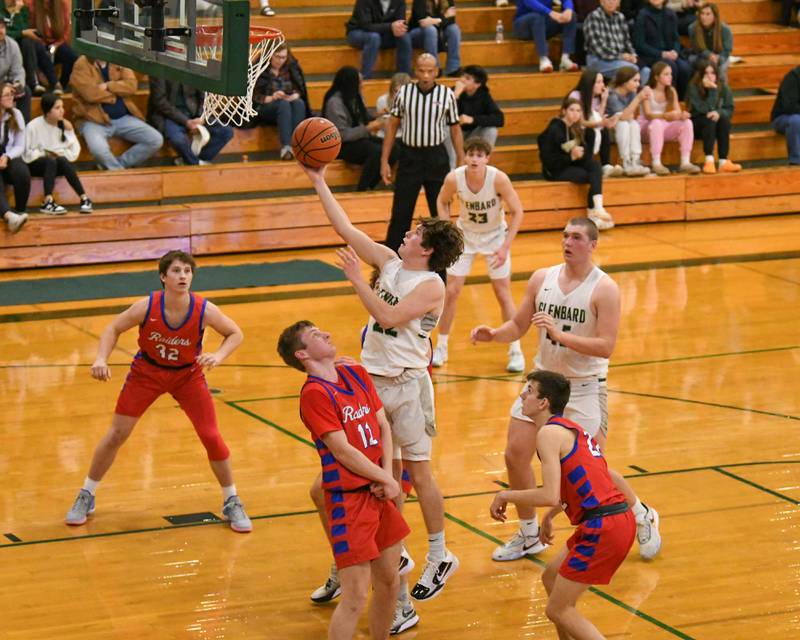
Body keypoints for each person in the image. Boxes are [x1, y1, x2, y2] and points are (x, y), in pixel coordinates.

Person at [301, 161, 464, 634]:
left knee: (417, 470)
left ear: (426, 248)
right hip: (373, 385)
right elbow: (345, 227)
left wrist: (356, 279)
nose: (405, 235)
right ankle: (359, 561)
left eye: (413, 234)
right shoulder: (390, 264)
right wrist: (318, 180)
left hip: (408, 384)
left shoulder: (432, 284)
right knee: (366, 482)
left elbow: (389, 320)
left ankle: (438, 552)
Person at [471, 217, 661, 563]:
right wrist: (495, 335)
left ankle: (642, 513)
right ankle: (529, 534)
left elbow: (606, 346)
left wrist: (560, 335)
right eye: (564, 236)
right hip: (542, 384)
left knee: (594, 469)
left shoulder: (605, 289)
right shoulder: (542, 278)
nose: (567, 242)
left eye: (575, 237)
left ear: (592, 245)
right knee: (515, 454)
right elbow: (518, 324)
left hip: (584, 388)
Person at [64, 250, 253, 533]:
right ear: (163, 276)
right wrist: (101, 358)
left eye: (188, 272)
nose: (183, 276)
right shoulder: (146, 306)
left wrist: (219, 356)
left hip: (187, 376)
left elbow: (235, 333)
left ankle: (231, 500)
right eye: (177, 271)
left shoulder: (204, 309)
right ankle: (87, 494)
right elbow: (113, 327)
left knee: (211, 436)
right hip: (147, 373)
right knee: (117, 433)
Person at [277, 321, 409, 640]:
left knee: (390, 581)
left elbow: (383, 426)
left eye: (324, 330)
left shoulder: (355, 373)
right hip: (348, 501)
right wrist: (385, 480)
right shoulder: (314, 394)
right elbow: (342, 450)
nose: (327, 333)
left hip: (378, 490)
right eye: (315, 335)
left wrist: (387, 476)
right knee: (355, 597)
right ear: (303, 354)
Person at [488, 370, 636, 639]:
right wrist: (549, 518)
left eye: (530, 390)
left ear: (544, 402)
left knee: (558, 610)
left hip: (604, 525)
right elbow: (582, 482)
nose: (523, 394)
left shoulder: (548, 435)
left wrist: (506, 495)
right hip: (613, 520)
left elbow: (549, 495)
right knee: (550, 578)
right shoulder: (569, 429)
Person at [431, 137, 525, 372]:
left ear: (487, 158)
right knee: (451, 291)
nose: (474, 159)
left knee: (502, 293)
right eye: (470, 154)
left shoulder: (498, 179)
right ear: (465, 157)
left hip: (495, 237)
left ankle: (515, 350)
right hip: (466, 237)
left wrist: (505, 247)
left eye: (479, 155)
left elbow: (518, 212)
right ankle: (441, 346)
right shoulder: (455, 178)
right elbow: (442, 201)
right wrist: (449, 230)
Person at [381, 53, 463, 254]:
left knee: (440, 210)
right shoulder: (404, 93)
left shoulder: (447, 95)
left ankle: (444, 256)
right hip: (410, 156)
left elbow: (455, 129)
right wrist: (384, 160)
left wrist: (461, 160)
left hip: (436, 156)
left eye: (430, 71)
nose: (426, 76)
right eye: (421, 70)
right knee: (401, 211)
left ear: (437, 71)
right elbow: (392, 126)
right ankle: (392, 256)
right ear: (415, 70)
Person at [70, 56, 163, 170]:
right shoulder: (82, 63)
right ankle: (119, 172)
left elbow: (132, 86)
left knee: (155, 140)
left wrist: (108, 86)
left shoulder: (119, 59)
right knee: (98, 150)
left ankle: (118, 166)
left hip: (123, 118)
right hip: (93, 120)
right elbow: (90, 94)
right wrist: (115, 95)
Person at [538, 97, 614, 230]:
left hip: (570, 165)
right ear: (563, 111)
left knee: (595, 167)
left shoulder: (578, 129)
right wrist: (571, 157)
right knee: (588, 176)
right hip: (555, 170)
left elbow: (586, 158)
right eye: (571, 110)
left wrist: (584, 150)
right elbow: (549, 160)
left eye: (578, 111)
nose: (575, 114)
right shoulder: (554, 129)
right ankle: (593, 217)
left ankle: (598, 207)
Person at [322, 65, 391, 191]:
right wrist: (369, 128)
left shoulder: (355, 96)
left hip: (359, 139)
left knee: (392, 147)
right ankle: (362, 189)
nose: (362, 85)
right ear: (350, 83)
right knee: (376, 151)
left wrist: (377, 115)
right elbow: (341, 135)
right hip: (340, 146)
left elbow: (362, 116)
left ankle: (371, 184)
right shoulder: (334, 103)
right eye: (359, 82)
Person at [23, 92, 93, 213]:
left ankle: (84, 198)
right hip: (36, 166)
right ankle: (48, 201)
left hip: (56, 165)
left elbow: (73, 154)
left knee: (60, 160)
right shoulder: (33, 126)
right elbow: (26, 154)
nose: (62, 111)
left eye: (62, 107)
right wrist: (44, 153)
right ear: (47, 111)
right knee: (51, 160)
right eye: (57, 108)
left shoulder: (65, 126)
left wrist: (70, 132)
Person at [148, 77, 233, 166]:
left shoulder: (193, 67)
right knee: (178, 140)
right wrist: (186, 122)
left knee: (226, 131)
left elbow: (203, 97)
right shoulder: (159, 70)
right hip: (169, 117)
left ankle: (190, 161)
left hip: (194, 114)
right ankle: (196, 164)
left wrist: (200, 118)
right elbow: (159, 101)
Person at [248, 43, 311, 161]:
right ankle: (286, 147)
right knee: (283, 104)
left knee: (299, 103)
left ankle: (298, 145)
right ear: (270, 55)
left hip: (286, 104)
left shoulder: (291, 68)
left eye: (283, 57)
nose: (280, 60)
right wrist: (272, 97)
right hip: (264, 107)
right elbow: (253, 97)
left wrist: (295, 95)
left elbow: (300, 89)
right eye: (277, 57)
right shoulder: (259, 69)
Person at [638, 61, 700, 175]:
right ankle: (656, 163)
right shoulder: (647, 90)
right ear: (656, 77)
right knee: (656, 122)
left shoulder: (671, 90)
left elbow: (677, 110)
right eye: (666, 74)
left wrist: (681, 115)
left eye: (670, 74)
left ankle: (685, 162)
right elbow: (648, 114)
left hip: (662, 125)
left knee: (687, 123)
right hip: (646, 128)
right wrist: (665, 116)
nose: (670, 77)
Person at [686, 60, 741, 174]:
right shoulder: (694, 87)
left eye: (712, 73)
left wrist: (719, 112)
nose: (710, 76)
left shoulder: (723, 87)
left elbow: (730, 109)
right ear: (701, 75)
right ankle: (709, 160)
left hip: (714, 125)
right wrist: (712, 91)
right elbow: (702, 109)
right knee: (709, 118)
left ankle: (723, 161)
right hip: (697, 124)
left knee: (724, 119)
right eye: (706, 73)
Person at [569, 69, 623, 178]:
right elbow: (580, 121)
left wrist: (604, 101)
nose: (602, 85)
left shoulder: (597, 98)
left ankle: (606, 165)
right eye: (598, 82)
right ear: (590, 83)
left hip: (589, 128)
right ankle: (587, 165)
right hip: (574, 131)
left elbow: (598, 117)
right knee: (590, 132)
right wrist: (600, 123)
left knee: (604, 130)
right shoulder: (575, 95)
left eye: (602, 82)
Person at [633, 0, 691, 100]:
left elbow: (676, 38)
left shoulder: (670, 14)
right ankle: (669, 101)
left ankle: (681, 102)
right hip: (650, 56)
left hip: (669, 54)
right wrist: (661, 54)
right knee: (670, 66)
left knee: (685, 68)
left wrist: (675, 51)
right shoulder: (642, 15)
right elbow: (640, 44)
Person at [346, 0, 412, 80]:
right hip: (358, 32)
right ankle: (366, 78)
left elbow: (400, 23)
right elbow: (366, 26)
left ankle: (404, 79)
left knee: (404, 36)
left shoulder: (399, 1)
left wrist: (399, 28)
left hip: (384, 34)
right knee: (373, 37)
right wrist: (390, 26)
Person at [582, 0, 646, 81]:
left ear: (619, 3)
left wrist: (633, 56)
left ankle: (641, 93)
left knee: (646, 71)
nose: (611, 2)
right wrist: (622, 56)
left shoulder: (620, 17)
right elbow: (599, 50)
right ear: (602, 2)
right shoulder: (593, 17)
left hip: (620, 60)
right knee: (631, 69)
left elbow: (627, 42)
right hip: (598, 60)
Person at [606, 66, 651, 175]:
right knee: (623, 124)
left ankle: (635, 160)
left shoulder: (631, 93)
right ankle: (625, 161)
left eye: (638, 81)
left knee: (634, 124)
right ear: (624, 82)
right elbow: (623, 117)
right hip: (610, 129)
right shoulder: (612, 94)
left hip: (625, 125)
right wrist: (638, 99)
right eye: (635, 81)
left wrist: (635, 100)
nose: (638, 84)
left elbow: (631, 116)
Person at [513, 0, 579, 74]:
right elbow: (530, 2)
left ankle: (565, 57)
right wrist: (550, 12)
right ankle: (543, 58)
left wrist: (568, 9)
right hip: (523, 25)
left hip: (544, 21)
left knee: (572, 15)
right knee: (537, 16)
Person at [25, 0, 77, 92]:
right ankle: (52, 84)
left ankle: (62, 85)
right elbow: (30, 29)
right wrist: (43, 43)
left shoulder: (62, 4)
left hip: (57, 43)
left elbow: (66, 30)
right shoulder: (31, 5)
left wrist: (56, 45)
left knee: (71, 56)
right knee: (38, 49)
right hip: (39, 42)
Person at [0, 82, 29, 225]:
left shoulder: (16, 114)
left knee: (22, 171)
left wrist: (7, 157)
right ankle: (8, 215)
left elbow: (19, 145)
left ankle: (20, 212)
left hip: (8, 156)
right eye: (6, 95)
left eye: (12, 94)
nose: (11, 97)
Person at [408, 0, 461, 78]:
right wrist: (444, 17)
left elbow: (451, 20)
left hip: (438, 32)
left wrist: (435, 20)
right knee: (430, 30)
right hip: (417, 34)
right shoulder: (420, 1)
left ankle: (453, 68)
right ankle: (434, 67)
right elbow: (423, 22)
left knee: (454, 29)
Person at [687, 2, 733, 82]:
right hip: (701, 56)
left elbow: (727, 50)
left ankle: (723, 92)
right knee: (692, 61)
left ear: (715, 16)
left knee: (720, 69)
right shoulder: (692, 28)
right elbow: (697, 49)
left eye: (708, 14)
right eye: (702, 13)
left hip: (720, 56)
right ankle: (696, 91)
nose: (704, 17)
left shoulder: (725, 29)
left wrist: (718, 58)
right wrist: (709, 55)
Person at [0, 17, 29, 121]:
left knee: (25, 91)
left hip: (6, 84)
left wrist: (17, 83)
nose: (1, 31)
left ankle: (23, 127)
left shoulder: (12, 45)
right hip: (2, 85)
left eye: (2, 27)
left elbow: (18, 70)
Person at [771, 65, 800, 165]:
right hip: (783, 117)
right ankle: (796, 161)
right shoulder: (793, 77)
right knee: (797, 121)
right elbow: (789, 106)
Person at [375, 71, 411, 139]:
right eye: (395, 91)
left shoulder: (413, 102)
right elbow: (380, 125)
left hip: (405, 137)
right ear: (391, 90)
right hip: (384, 136)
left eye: (402, 92)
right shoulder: (382, 100)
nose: (398, 95)